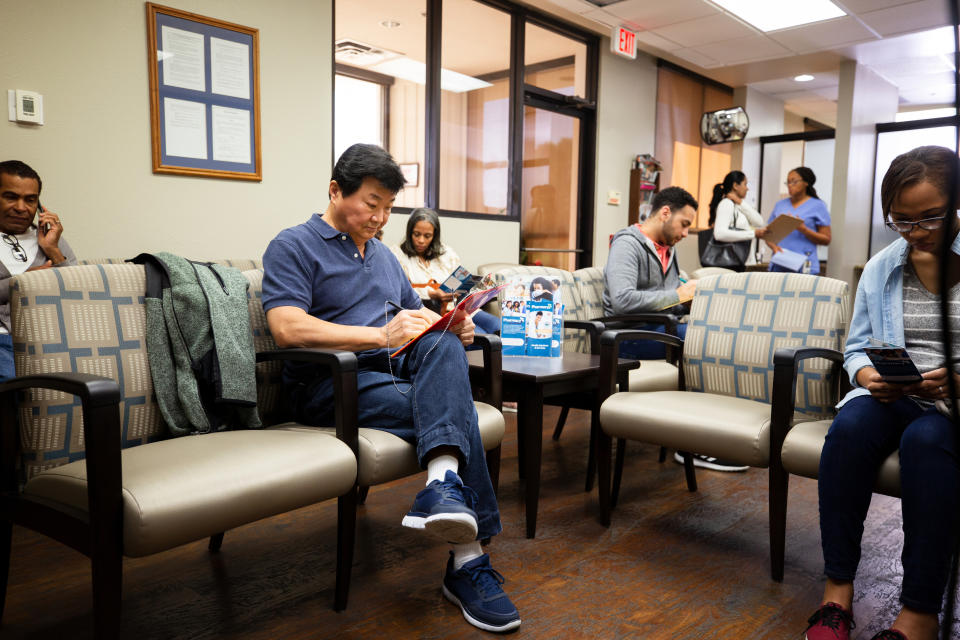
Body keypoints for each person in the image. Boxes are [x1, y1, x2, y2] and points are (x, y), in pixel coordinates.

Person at [261, 143, 520, 633]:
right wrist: (380, 335)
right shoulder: (293, 245)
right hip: (330, 385)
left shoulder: (383, 257)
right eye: (371, 204)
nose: (380, 219)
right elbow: (288, 328)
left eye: (387, 208)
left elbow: (416, 322)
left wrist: (455, 326)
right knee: (458, 410)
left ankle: (442, 486)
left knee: (443, 343)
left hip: (392, 374)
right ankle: (467, 561)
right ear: (336, 190)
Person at [803, 146, 960, 640]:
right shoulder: (882, 267)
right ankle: (836, 592)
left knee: (927, 442)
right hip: (896, 397)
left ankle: (918, 613)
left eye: (930, 217)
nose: (917, 233)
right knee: (848, 428)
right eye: (902, 221)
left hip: (949, 411)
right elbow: (855, 350)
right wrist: (868, 376)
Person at [602, 185, 748, 473]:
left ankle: (727, 434)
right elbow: (621, 300)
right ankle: (694, 445)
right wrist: (680, 296)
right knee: (705, 343)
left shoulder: (668, 250)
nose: (685, 233)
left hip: (659, 330)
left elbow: (670, 300)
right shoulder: (627, 244)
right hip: (627, 337)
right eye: (684, 224)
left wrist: (696, 304)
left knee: (721, 333)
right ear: (665, 213)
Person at [0, 160, 77, 381]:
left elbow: (75, 293)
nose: (21, 208)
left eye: (30, 200)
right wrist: (25, 282)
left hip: (51, 339)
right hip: (4, 340)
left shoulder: (51, 239)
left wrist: (52, 248)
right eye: (11, 197)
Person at [390, 208, 500, 335]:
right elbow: (401, 292)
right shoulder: (397, 254)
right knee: (483, 337)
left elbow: (461, 279)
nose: (421, 240)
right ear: (409, 233)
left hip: (458, 309)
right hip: (434, 314)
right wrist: (432, 294)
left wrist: (471, 290)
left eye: (427, 236)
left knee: (498, 326)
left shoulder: (446, 253)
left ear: (434, 235)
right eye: (416, 234)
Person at [766, 166, 831, 274]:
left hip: (805, 266)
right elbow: (768, 235)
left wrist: (803, 229)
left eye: (794, 182)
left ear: (806, 183)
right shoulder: (780, 205)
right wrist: (774, 247)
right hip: (779, 264)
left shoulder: (818, 206)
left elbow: (826, 239)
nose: (790, 185)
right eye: (787, 182)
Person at [706, 170, 767, 271]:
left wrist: (740, 202)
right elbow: (719, 234)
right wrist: (752, 234)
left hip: (742, 262)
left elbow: (759, 222)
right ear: (735, 185)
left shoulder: (738, 206)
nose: (747, 188)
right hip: (733, 264)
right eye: (745, 184)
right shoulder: (727, 204)